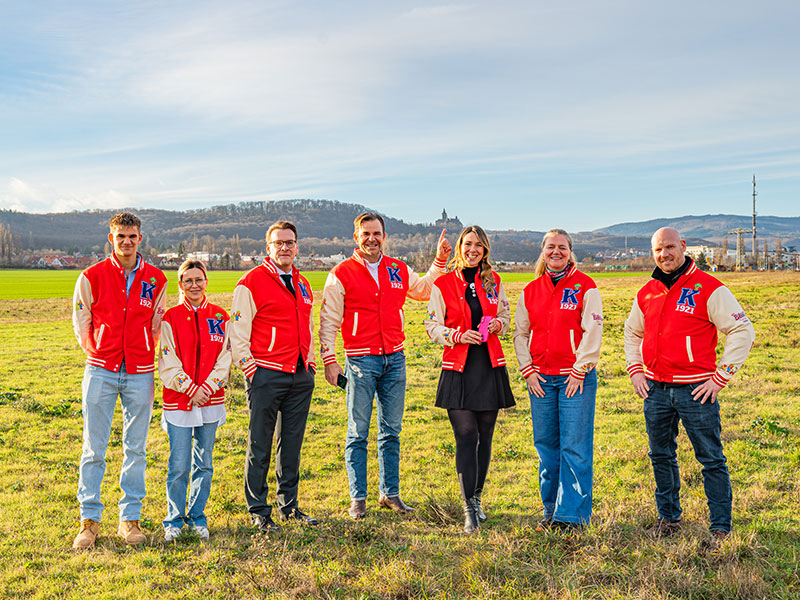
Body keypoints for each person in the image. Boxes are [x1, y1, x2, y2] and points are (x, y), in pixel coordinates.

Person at [624, 227, 755, 548]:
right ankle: (668, 518)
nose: (664, 254)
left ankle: (720, 527)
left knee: (710, 458)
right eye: (658, 249)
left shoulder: (709, 288)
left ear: (683, 247)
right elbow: (631, 332)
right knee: (660, 455)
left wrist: (720, 376)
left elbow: (742, 330)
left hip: (696, 389)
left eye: (670, 247)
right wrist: (635, 371)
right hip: (654, 389)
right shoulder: (647, 291)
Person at [319, 212, 452, 519]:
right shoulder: (341, 273)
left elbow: (425, 289)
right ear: (356, 237)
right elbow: (328, 320)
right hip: (360, 360)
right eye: (366, 233)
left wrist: (440, 260)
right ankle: (358, 497)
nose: (372, 238)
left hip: (395, 358)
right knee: (358, 431)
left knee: (391, 431)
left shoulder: (397, 268)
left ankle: (390, 494)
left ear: (384, 235)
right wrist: (329, 360)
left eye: (377, 233)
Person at [71, 212, 167, 549]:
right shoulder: (91, 276)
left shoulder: (157, 279)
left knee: (135, 449)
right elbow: (81, 318)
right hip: (101, 369)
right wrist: (97, 349)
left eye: (132, 236)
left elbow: (158, 323)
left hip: (140, 372)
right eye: (120, 236)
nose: (126, 242)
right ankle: (89, 521)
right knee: (93, 447)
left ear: (141, 238)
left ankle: (130, 519)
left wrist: (144, 351)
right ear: (111, 238)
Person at [425, 226, 515, 533]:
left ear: (485, 249)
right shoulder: (443, 284)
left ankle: (477, 499)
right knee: (466, 434)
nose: (472, 249)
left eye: (478, 244)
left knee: (485, 436)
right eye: (467, 244)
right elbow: (431, 326)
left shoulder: (494, 281)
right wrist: (457, 335)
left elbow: (504, 314)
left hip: (489, 365)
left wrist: (500, 324)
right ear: (460, 248)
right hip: (458, 366)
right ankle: (467, 509)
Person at [230, 221, 318, 533]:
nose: (284, 247)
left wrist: (308, 362)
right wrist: (250, 369)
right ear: (268, 247)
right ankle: (258, 509)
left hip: (298, 375)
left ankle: (289, 506)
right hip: (265, 374)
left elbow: (305, 324)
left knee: (291, 444)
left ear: (297, 246)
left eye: (290, 242)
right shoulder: (251, 281)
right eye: (278, 242)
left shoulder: (303, 282)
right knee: (260, 444)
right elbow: (237, 331)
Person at [513, 229, 602, 529]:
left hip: (574, 380)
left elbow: (593, 331)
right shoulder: (530, 290)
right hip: (541, 380)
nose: (556, 252)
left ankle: (572, 516)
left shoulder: (585, 286)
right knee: (547, 447)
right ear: (542, 251)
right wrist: (528, 371)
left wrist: (580, 369)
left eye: (562, 247)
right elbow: (521, 334)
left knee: (574, 447)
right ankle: (550, 509)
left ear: (570, 251)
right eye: (551, 247)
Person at [158, 260, 231, 541]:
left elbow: (225, 357)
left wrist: (209, 387)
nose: (194, 285)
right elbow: (167, 359)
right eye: (187, 281)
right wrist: (190, 389)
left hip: (211, 401)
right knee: (179, 464)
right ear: (180, 285)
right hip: (180, 402)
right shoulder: (171, 318)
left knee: (205, 463)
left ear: (206, 281)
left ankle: (197, 516)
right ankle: (174, 520)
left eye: (198, 279)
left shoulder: (220, 317)